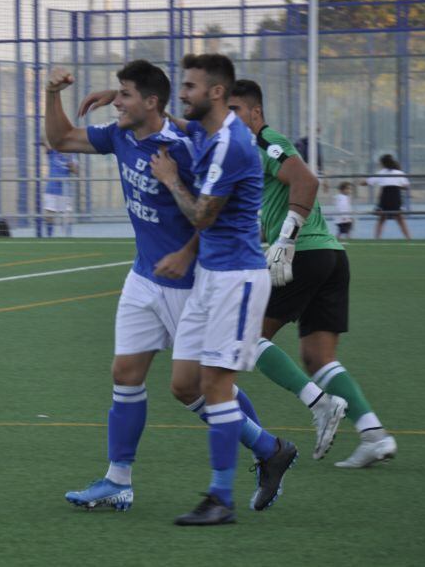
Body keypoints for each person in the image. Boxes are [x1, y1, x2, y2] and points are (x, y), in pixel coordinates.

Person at [48, 59, 288, 518]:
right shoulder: (120, 134)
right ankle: (118, 481)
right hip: (144, 276)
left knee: (200, 386)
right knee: (125, 374)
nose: (116, 101)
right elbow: (60, 139)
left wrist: (186, 253)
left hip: (192, 280)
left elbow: (209, 213)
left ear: (149, 102)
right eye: (116, 93)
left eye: (125, 94)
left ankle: (263, 451)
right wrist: (51, 93)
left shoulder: (185, 145)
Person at [149, 55, 297, 526]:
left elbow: (202, 215)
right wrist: (131, 104)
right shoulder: (208, 131)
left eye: (190, 86)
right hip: (211, 276)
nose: (183, 92)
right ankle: (270, 448)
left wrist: (171, 180)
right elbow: (177, 123)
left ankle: (220, 499)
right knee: (183, 384)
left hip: (237, 279)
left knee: (215, 384)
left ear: (215, 92)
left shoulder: (232, 144)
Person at [223, 79, 396, 468]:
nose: (229, 118)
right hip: (330, 255)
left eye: (235, 110)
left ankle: (320, 404)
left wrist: (285, 239)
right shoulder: (251, 151)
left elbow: (307, 180)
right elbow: (275, 206)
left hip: (304, 253)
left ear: (255, 111)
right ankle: (374, 434)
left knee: (248, 336)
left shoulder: (266, 140)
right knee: (318, 357)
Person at [364, 154, 411, 239]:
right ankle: (408, 238)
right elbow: (406, 186)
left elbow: (368, 182)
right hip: (396, 197)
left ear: (383, 163)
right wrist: (397, 186)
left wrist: (360, 183)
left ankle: (377, 238)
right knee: (400, 219)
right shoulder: (399, 173)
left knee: (382, 219)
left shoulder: (381, 172)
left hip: (385, 197)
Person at [42, 143, 78, 237]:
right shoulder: (53, 150)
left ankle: (68, 236)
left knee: (66, 216)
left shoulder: (72, 153)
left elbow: (76, 171)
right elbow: (44, 140)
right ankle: (49, 237)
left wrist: (71, 165)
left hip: (65, 190)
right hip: (51, 188)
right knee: (49, 215)